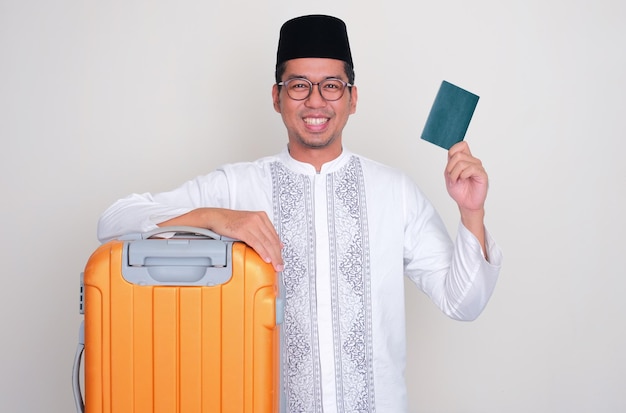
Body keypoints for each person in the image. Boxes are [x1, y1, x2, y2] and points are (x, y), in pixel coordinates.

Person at [98, 14, 502, 413]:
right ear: (276, 97)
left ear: (352, 98)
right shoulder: (238, 186)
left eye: (331, 86)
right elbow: (114, 221)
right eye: (298, 86)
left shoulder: (394, 191)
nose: (315, 101)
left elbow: (463, 304)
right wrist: (217, 218)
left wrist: (471, 213)